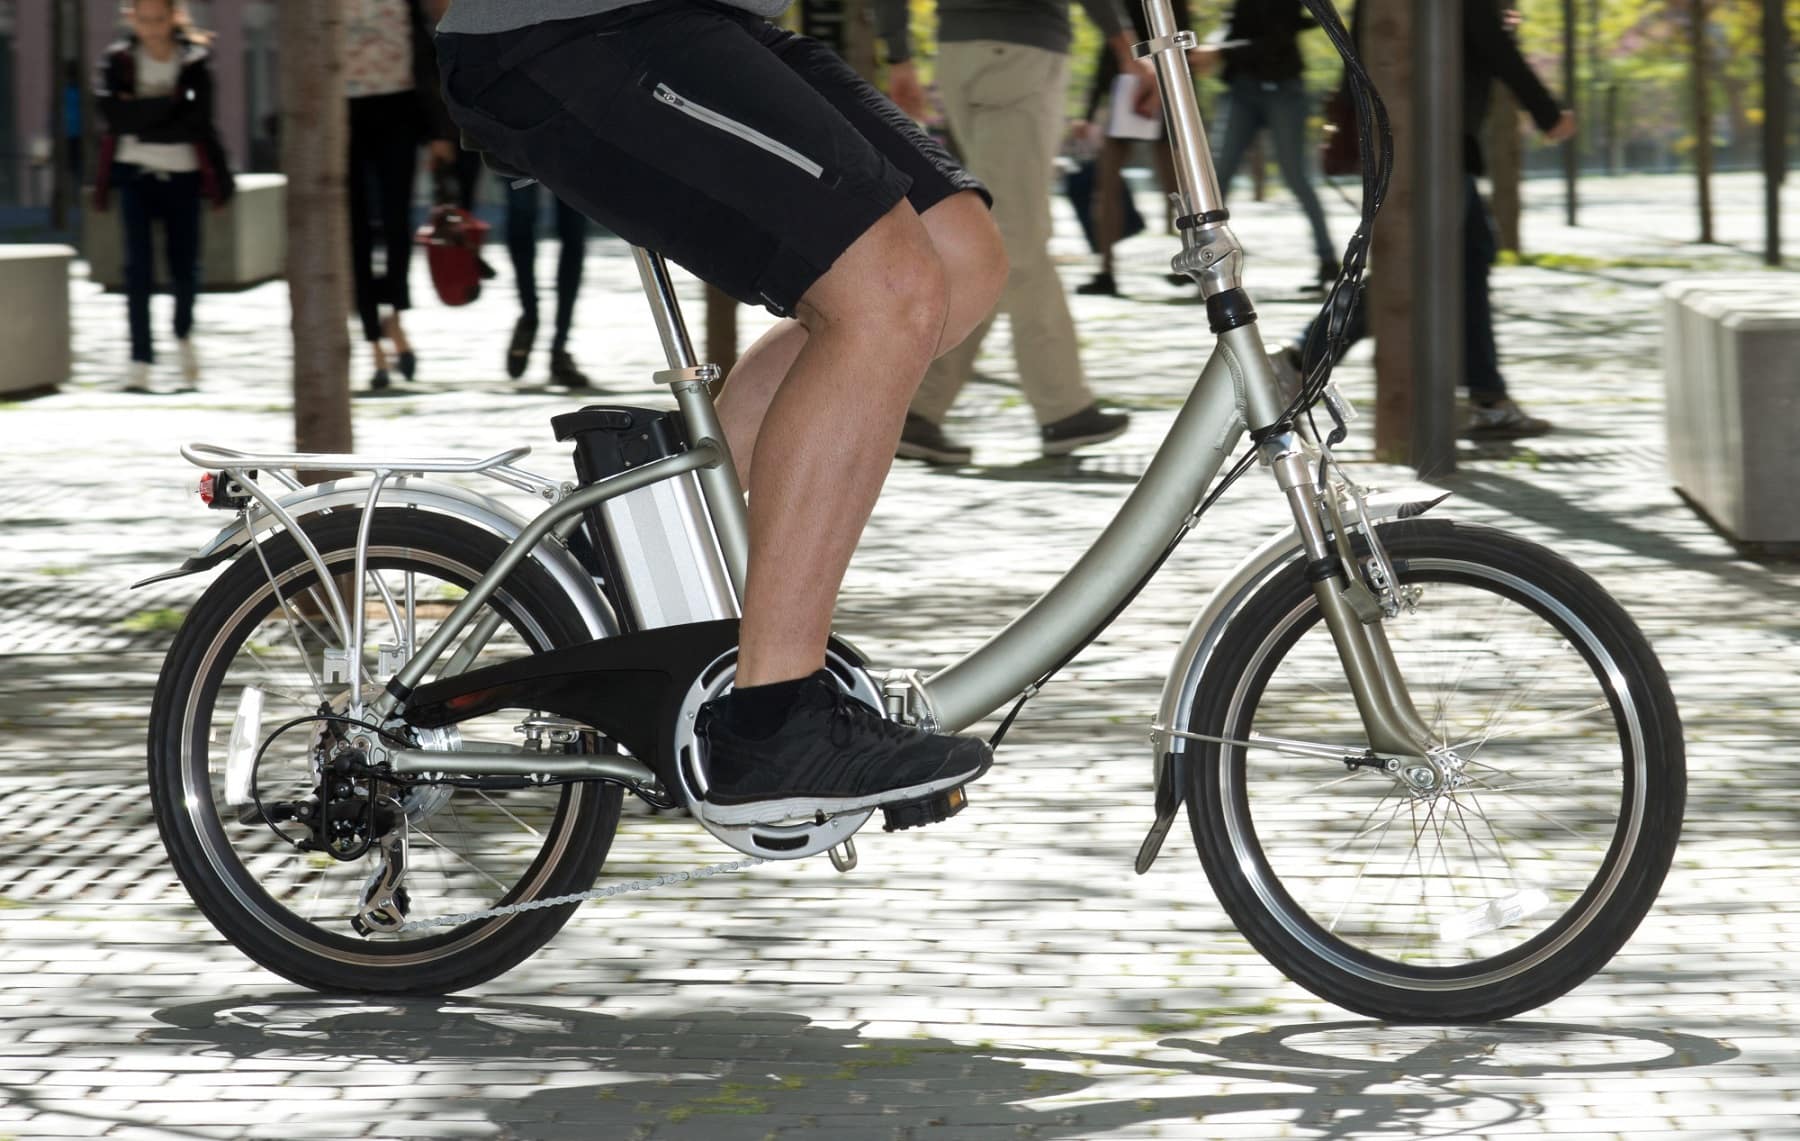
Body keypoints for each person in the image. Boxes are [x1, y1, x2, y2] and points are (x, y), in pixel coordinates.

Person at [434, 0, 1009, 824]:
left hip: (710, 21)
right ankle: (773, 719)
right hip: (583, 30)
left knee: (960, 260)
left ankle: (620, 556)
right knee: (888, 293)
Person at [1271, 0, 1575, 441]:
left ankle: (1488, 398)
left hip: (1422, 138)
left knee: (1467, 259)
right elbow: (1491, 45)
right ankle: (1300, 359)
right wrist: (1546, 111)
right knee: (1415, 270)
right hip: (1431, 140)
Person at [879, 0, 1147, 466]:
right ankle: (1062, 410)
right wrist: (1125, 46)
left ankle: (920, 409)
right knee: (1016, 241)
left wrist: (899, 54)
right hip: (1023, 50)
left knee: (1001, 232)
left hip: (959, 53)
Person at [92, 0, 231, 394]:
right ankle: (140, 360)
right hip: (134, 175)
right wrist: (165, 109)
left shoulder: (195, 61)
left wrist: (141, 113)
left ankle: (183, 335)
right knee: (137, 270)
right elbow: (113, 116)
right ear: (131, 18)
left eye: (159, 19)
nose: (152, 28)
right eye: (144, 20)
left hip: (185, 176)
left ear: (174, 17)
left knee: (185, 267)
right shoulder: (117, 60)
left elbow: (196, 117)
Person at [347, 0, 456, 392]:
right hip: (342, 117)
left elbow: (426, 58)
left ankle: (395, 317)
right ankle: (373, 339)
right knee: (354, 232)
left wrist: (439, 132)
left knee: (396, 226)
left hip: (399, 111)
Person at [1198, 0, 1339, 292]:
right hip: (1241, 89)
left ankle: (1328, 261)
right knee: (1217, 177)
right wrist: (1213, 44)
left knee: (1296, 177)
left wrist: (1221, 51)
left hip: (1284, 89)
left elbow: (1277, 35)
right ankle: (1206, 261)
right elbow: (1234, 23)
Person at [1073, 0, 1192, 298]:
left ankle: (1195, 262)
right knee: (1108, 184)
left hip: (1159, 85)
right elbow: (1110, 48)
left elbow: (1180, 42)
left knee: (1177, 186)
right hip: (1128, 83)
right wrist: (1090, 111)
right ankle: (1106, 271)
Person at [447, 148, 594, 387]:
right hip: (521, 131)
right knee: (527, 224)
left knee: (567, 232)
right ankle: (534, 321)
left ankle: (557, 343)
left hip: (567, 136)